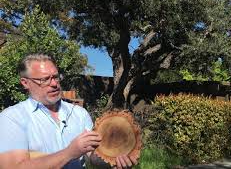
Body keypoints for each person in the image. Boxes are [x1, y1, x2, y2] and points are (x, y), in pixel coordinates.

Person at [0, 53, 136, 169]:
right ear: (25, 83)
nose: (54, 84)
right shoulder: (12, 118)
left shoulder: (79, 113)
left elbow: (92, 156)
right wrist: (69, 153)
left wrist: (113, 159)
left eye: (56, 77)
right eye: (44, 79)